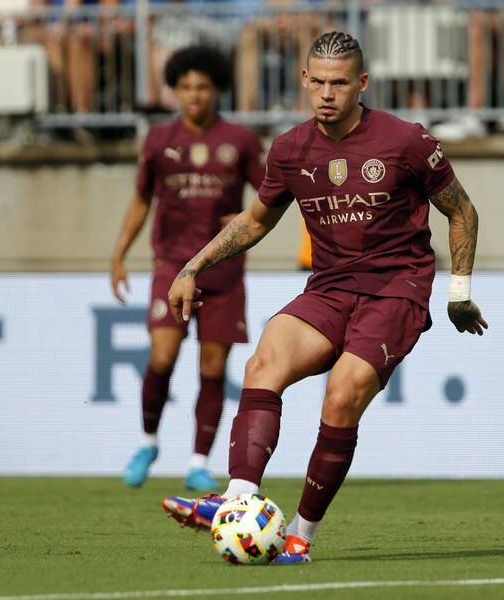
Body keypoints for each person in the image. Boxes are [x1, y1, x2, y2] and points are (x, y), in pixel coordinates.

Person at [161, 31, 487, 563]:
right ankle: (237, 500)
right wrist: (192, 266)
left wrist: (459, 291)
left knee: (341, 394)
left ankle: (300, 535)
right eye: (318, 83)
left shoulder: (406, 140)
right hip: (330, 288)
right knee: (264, 360)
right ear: (305, 80)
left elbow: (462, 210)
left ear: (363, 84)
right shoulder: (290, 149)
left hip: (395, 290)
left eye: (340, 83)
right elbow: (256, 220)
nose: (327, 94)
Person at [111, 45, 265, 491]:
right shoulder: (159, 140)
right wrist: (118, 254)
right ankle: (148, 442)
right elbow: (141, 199)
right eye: (185, 87)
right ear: (174, 91)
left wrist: (243, 218)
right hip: (173, 268)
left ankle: (198, 462)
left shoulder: (241, 140)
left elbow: (271, 195)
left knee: (212, 370)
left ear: (217, 90)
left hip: (224, 271)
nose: (194, 95)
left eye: (203, 87)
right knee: (162, 357)